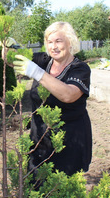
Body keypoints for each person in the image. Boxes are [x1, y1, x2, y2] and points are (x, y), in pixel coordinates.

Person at [13, 22, 92, 178]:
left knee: (63, 187)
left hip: (69, 141)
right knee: (36, 183)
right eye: (50, 42)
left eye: (58, 41)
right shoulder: (43, 60)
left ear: (70, 42)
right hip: (39, 138)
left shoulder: (80, 68)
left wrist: (37, 73)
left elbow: (68, 95)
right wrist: (7, 45)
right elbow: (11, 58)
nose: (53, 46)